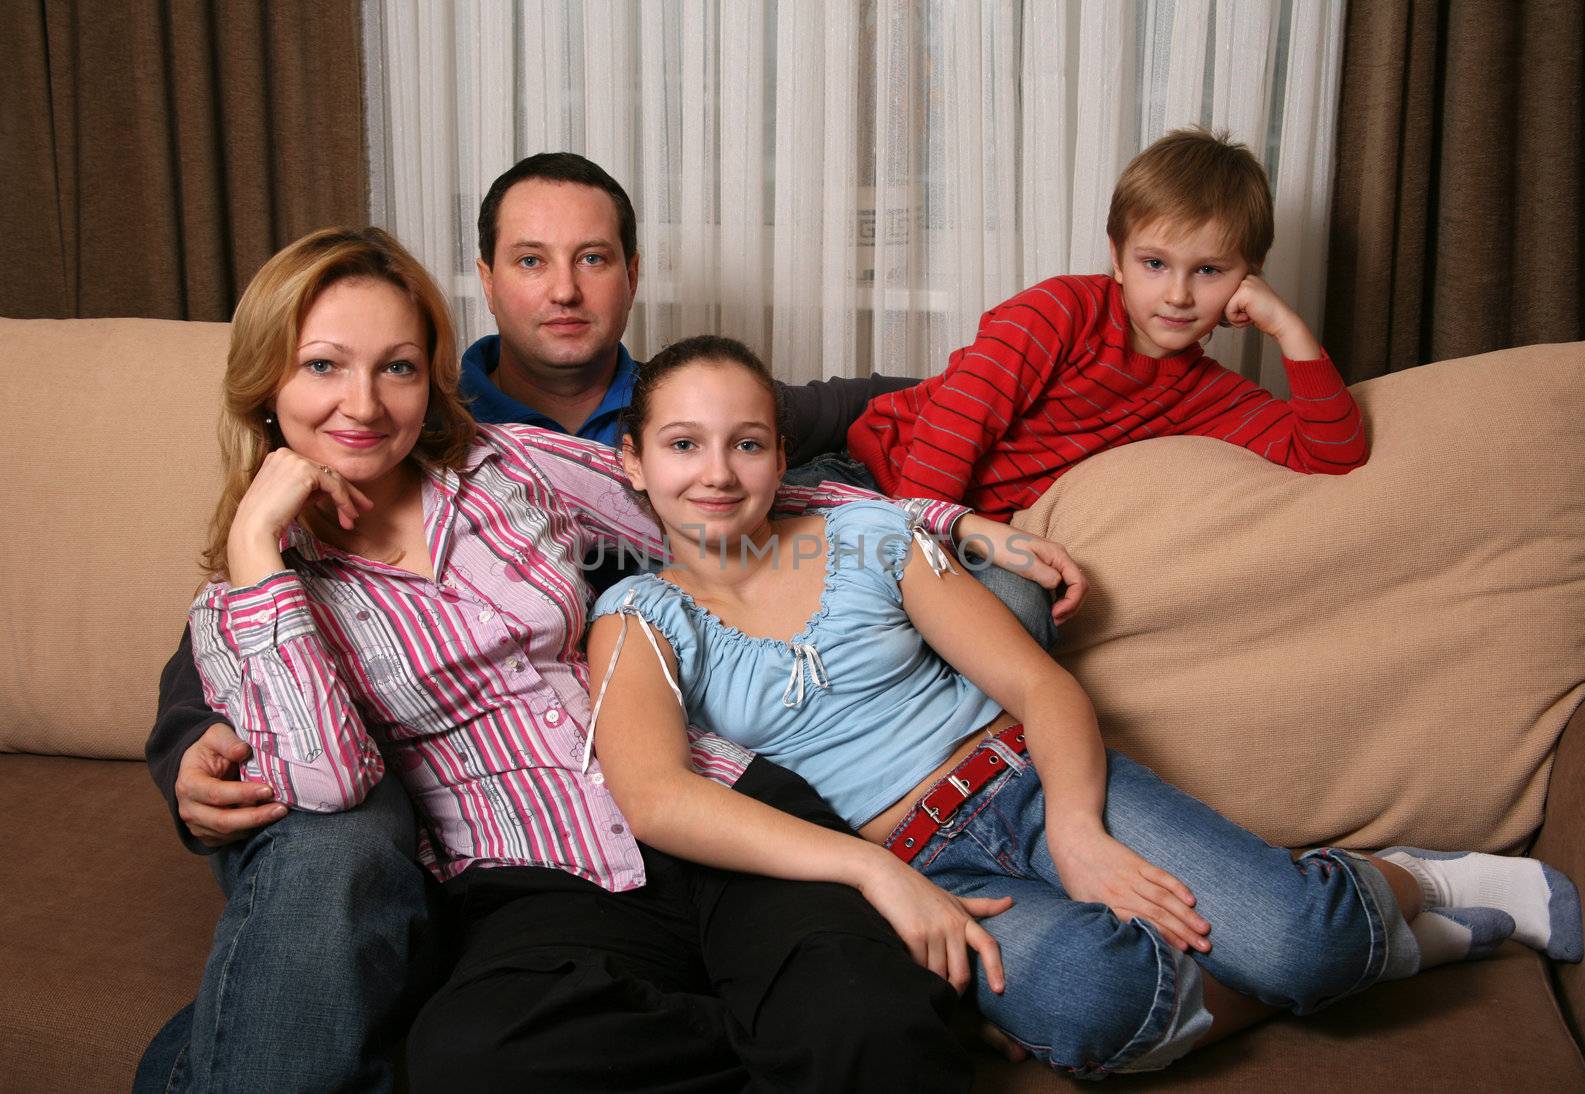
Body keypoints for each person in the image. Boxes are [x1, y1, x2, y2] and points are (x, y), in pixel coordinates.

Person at [140, 152, 1077, 1089]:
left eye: (395, 367)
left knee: (863, 1033)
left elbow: (727, 506)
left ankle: (829, 1012)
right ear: (266, 383)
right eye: (321, 367)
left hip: (717, 805)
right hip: (528, 875)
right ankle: (784, 1030)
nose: (364, 403)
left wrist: (945, 520)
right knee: (472, 1061)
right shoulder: (245, 604)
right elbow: (332, 786)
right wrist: (260, 549)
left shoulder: (506, 467)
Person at [587, 335, 1585, 1078]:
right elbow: (656, 796)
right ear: (632, 462)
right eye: (683, 444)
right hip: (909, 864)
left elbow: (1037, 682)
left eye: (746, 442)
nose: (716, 472)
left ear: (778, 453)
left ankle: (1407, 889)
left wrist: (1075, 826)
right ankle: (1361, 945)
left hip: (1025, 781)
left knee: (1299, 942)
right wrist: (868, 873)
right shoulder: (639, 611)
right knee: (1099, 1002)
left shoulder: (873, 538)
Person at [848, 127, 1370, 520]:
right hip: (886, 477)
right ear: (1118, 258)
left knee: (1028, 609)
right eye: (1155, 264)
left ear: (1247, 279)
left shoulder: (1211, 396)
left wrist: (1289, 329)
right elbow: (959, 421)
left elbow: (1332, 457)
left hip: (970, 528)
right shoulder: (1061, 309)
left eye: (1209, 271)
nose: (1178, 295)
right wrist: (913, 548)